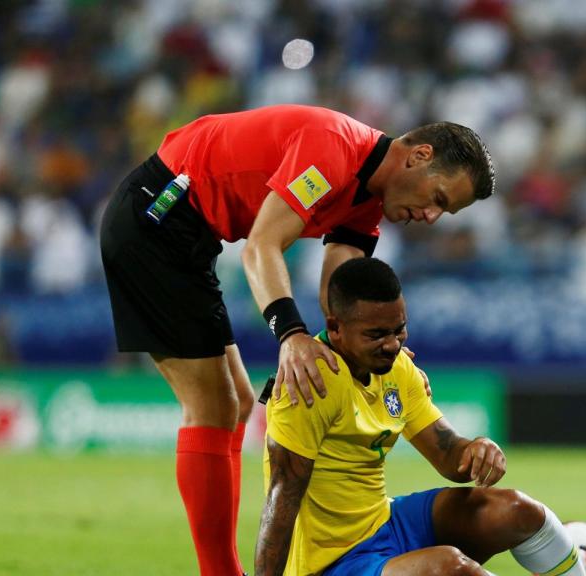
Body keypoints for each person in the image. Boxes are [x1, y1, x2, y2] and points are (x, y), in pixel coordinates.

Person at [99, 104, 495, 575]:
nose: (431, 216)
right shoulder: (334, 150)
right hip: (157, 216)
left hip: (191, 237)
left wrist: (368, 346)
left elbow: (343, 292)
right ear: (419, 155)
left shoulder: (368, 197)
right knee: (214, 407)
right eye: (438, 198)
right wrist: (290, 335)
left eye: (443, 211)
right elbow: (262, 246)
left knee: (239, 403)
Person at [255, 257, 586, 576]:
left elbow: (448, 456)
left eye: (399, 330)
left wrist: (475, 449)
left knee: (518, 510)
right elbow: (282, 492)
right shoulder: (309, 382)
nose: (392, 344)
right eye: (376, 334)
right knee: (450, 568)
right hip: (330, 562)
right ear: (335, 327)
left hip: (385, 523)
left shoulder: (398, 368)